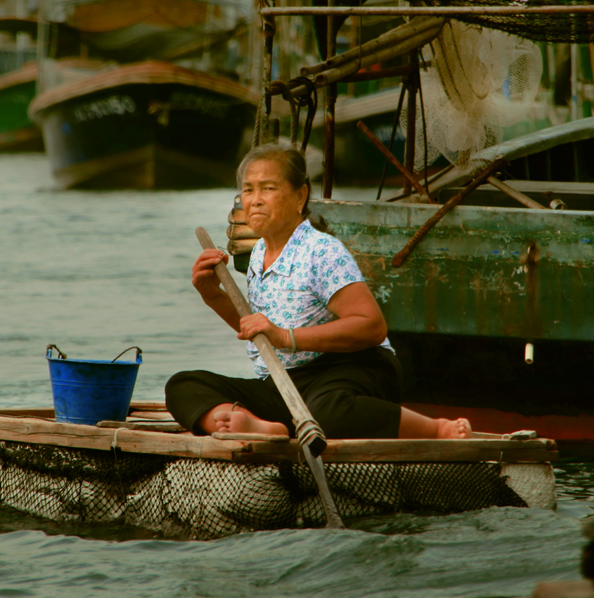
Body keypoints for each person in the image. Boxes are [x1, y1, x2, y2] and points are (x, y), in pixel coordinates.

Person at [165, 142, 472, 440]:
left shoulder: (320, 250)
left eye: (268, 189)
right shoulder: (259, 253)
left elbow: (371, 326)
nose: (255, 200)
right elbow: (260, 331)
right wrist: (212, 295)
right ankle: (256, 425)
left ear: (300, 196)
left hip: (349, 368)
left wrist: (286, 337)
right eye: (248, 189)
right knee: (183, 384)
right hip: (287, 382)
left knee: (325, 412)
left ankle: (435, 429)